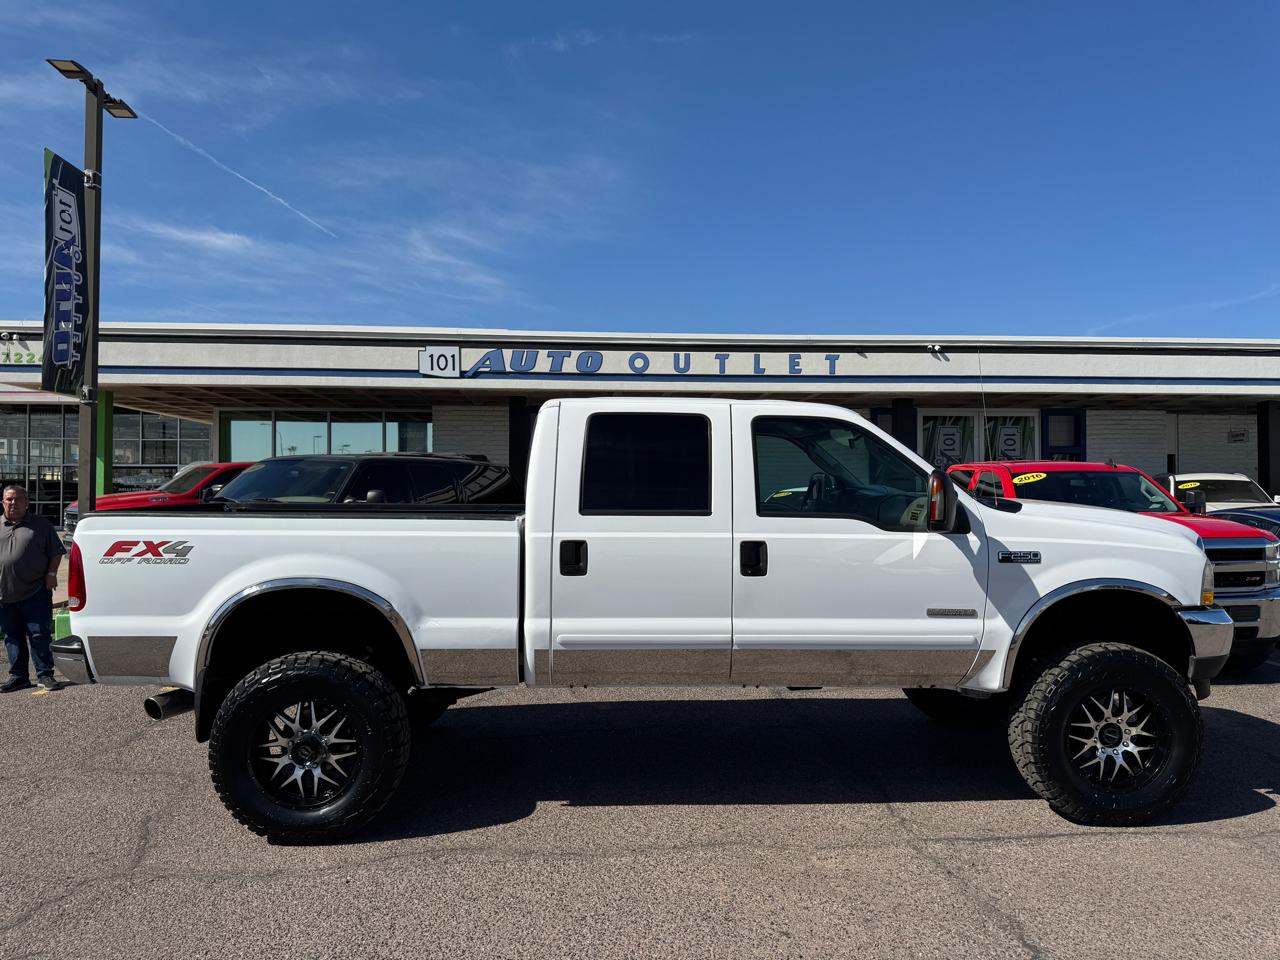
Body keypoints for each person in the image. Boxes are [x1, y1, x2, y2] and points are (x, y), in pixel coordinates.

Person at [0, 485, 66, 692]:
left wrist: (52, 574)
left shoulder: (41, 525)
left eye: (18, 499)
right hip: (4, 593)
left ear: (27, 503)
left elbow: (56, 552)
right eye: (9, 499)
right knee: (12, 636)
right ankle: (18, 676)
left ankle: (45, 674)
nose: (13, 503)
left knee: (39, 635)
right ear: (2, 502)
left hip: (35, 590)